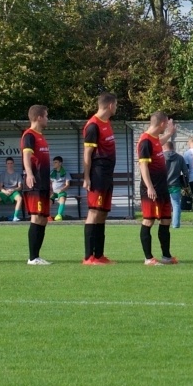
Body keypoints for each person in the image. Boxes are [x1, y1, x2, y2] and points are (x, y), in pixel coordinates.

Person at [81, 93, 118, 266]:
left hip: (107, 175)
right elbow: (87, 154)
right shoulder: (93, 126)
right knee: (94, 212)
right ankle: (89, 257)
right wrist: (87, 177)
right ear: (110, 105)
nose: (116, 108)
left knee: (102, 213)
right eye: (116, 105)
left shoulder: (107, 123)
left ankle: (99, 254)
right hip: (97, 174)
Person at [137, 112, 178, 266]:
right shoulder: (145, 141)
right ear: (161, 123)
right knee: (148, 221)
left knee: (166, 220)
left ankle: (166, 256)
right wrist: (149, 187)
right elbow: (143, 165)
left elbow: (159, 142)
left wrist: (169, 133)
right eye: (166, 123)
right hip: (151, 189)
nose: (167, 125)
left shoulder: (154, 140)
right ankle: (148, 258)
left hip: (162, 188)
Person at [20, 105, 54, 265]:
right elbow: (26, 155)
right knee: (36, 216)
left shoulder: (41, 136)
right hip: (34, 182)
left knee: (43, 219)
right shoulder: (29, 135)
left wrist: (50, 183)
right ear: (39, 117)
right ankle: (32, 258)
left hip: (44, 183)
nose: (48, 119)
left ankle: (37, 256)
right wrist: (30, 173)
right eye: (46, 116)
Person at [162, 122, 185, 228]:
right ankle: (175, 224)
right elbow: (186, 171)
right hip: (175, 184)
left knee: (163, 205)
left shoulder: (161, 157)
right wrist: (186, 183)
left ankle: (163, 223)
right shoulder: (180, 158)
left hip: (163, 184)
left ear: (165, 147)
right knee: (176, 204)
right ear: (173, 147)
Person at [0, 158, 23, 222]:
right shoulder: (3, 174)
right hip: (5, 191)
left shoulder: (17, 174)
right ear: (6, 164)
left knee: (19, 198)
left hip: (14, 192)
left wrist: (13, 190)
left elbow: (20, 187)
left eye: (11, 163)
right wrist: (5, 191)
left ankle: (15, 217)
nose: (10, 165)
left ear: (13, 164)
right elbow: (0, 187)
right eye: (8, 163)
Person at [50, 156, 70, 221]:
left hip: (61, 191)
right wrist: (51, 191)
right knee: (48, 201)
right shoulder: (52, 172)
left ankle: (59, 215)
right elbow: (50, 183)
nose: (54, 164)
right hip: (53, 192)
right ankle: (47, 216)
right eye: (53, 162)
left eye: (56, 162)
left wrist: (62, 190)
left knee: (62, 199)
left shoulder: (65, 172)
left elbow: (67, 185)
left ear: (60, 163)